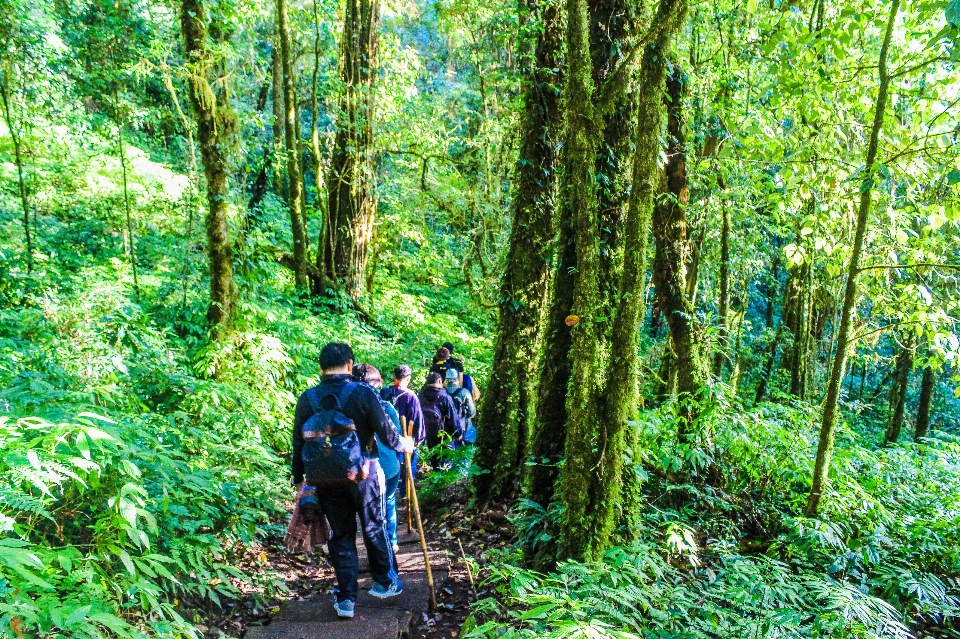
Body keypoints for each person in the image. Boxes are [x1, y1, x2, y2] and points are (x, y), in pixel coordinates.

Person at [292, 343, 414, 619]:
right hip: (364, 474)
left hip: (324, 478)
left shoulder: (307, 398)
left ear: (320, 368)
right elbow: (385, 433)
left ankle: (346, 599)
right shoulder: (363, 393)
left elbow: (297, 441)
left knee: (342, 534)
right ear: (350, 364)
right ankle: (385, 582)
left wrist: (299, 478)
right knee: (374, 526)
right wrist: (402, 444)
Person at [353, 364, 403, 554]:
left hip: (361, 466)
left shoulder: (349, 406)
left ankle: (376, 545)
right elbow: (395, 433)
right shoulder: (386, 407)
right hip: (388, 463)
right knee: (389, 500)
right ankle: (391, 540)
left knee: (367, 508)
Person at [381, 364, 425, 494]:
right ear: (408, 379)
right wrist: (419, 438)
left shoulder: (385, 392)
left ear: (394, 376)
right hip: (405, 437)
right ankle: (405, 492)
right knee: (409, 464)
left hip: (387, 436)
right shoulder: (411, 396)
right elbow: (417, 418)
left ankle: (389, 490)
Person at [418, 371, 461, 453]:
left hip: (427, 433)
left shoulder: (421, 395)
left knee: (433, 455)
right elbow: (452, 417)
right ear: (439, 381)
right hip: (444, 434)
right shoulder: (444, 397)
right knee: (446, 457)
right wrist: (458, 432)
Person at [443, 367, 477, 445]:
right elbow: (472, 412)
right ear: (458, 378)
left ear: (446, 379)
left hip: (446, 430)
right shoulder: (464, 392)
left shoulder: (441, 393)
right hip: (464, 428)